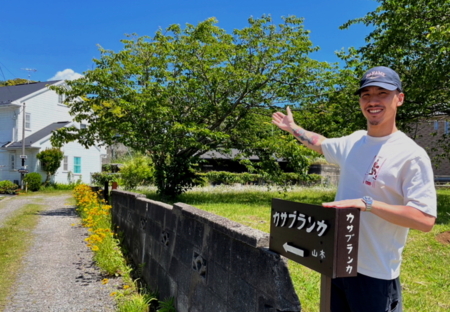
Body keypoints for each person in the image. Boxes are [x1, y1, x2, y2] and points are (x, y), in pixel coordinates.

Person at [272, 66, 437, 312]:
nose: (372, 101)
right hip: (337, 262)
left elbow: (425, 220)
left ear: (399, 99)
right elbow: (320, 143)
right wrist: (293, 127)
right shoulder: (354, 141)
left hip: (375, 273)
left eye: (382, 93)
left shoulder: (411, 154)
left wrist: (368, 204)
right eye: (366, 94)